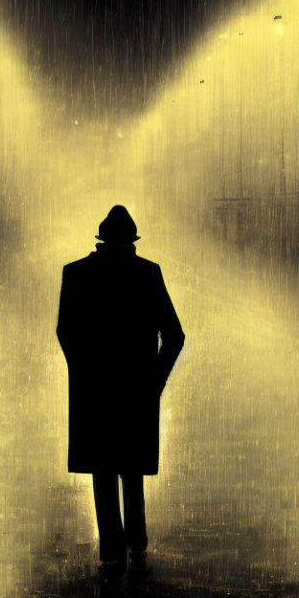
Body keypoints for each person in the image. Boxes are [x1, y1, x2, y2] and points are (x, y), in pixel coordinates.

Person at [56, 205, 185, 569]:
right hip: (136, 392)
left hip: (95, 394)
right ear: (132, 241)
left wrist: (86, 374)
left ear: (101, 240)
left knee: (103, 469)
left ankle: (112, 549)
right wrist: (154, 382)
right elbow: (174, 336)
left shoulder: (77, 275)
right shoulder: (149, 275)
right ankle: (138, 542)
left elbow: (66, 332)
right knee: (131, 467)